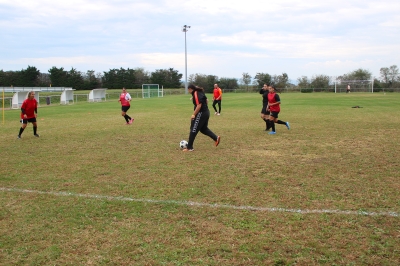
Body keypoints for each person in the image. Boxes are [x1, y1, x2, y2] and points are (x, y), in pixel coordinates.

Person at [183, 84, 220, 151]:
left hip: (201, 113)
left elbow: (199, 105)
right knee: (203, 129)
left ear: (190, 89)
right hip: (206, 112)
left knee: (193, 129)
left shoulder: (196, 93)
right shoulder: (199, 92)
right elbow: (206, 101)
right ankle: (216, 138)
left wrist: (194, 114)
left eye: (188, 90)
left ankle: (189, 147)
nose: (188, 91)